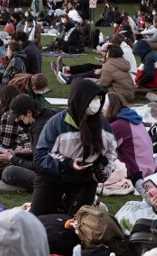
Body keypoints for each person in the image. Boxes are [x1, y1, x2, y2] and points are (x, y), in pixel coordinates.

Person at [30, 79, 118, 216]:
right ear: (80, 100)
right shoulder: (56, 124)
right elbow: (40, 157)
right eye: (93, 98)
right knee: (38, 220)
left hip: (85, 180)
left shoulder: (103, 124)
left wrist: (103, 171)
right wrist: (68, 163)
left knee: (79, 223)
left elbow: (111, 153)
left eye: (99, 98)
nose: (97, 102)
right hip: (53, 177)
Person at [103, 91, 156, 184]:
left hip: (136, 171)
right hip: (149, 166)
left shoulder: (119, 125)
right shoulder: (132, 117)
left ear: (108, 109)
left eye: (102, 111)